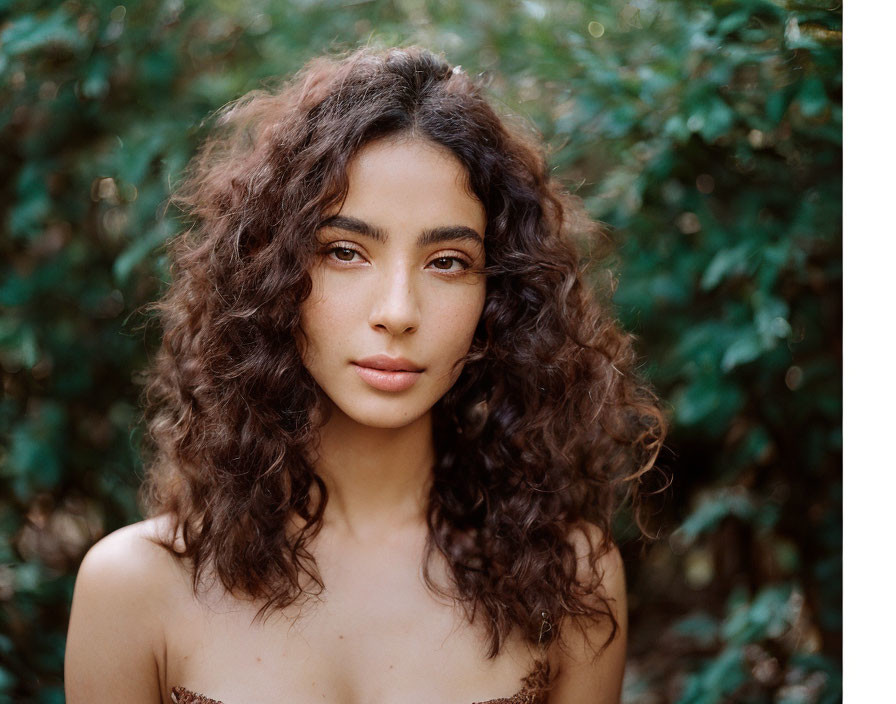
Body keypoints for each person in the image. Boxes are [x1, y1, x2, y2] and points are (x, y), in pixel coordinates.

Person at [64, 45, 666, 704]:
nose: (398, 312)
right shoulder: (135, 589)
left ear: (498, 298)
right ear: (274, 274)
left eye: (447, 262)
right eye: (345, 252)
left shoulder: (569, 577)